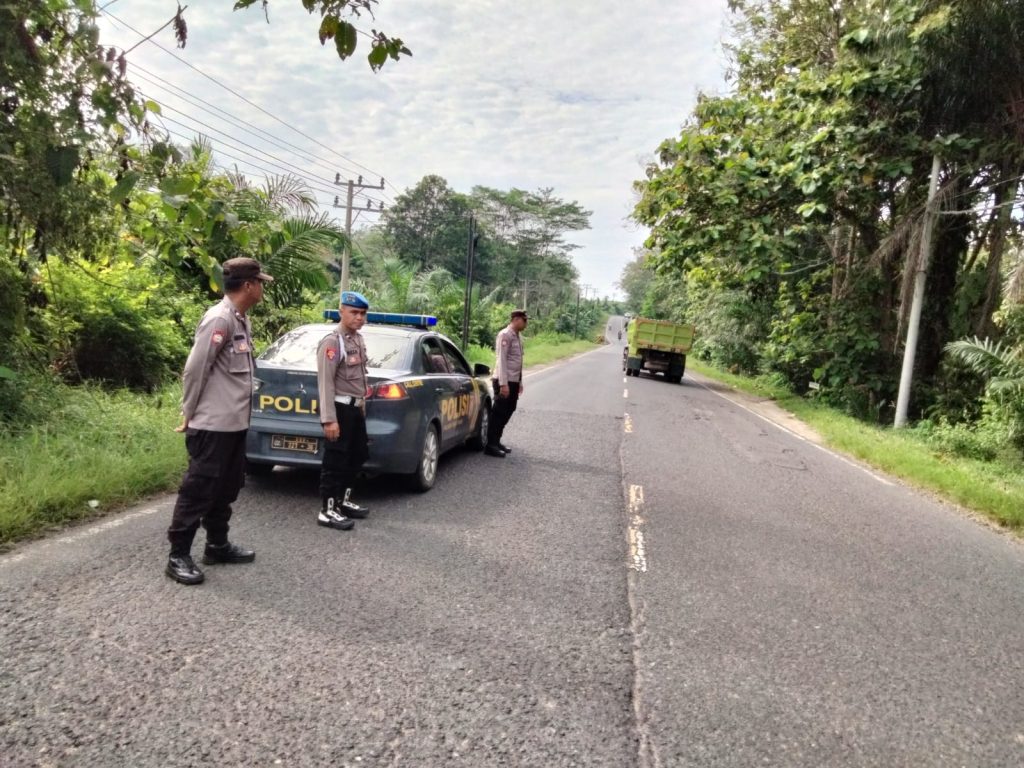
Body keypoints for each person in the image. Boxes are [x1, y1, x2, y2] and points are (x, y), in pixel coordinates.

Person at [165, 257, 273, 585]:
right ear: (249, 285)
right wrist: (189, 411)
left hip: (235, 423)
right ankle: (178, 555)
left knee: (227, 487)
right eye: (261, 283)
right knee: (199, 489)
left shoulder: (241, 320)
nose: (263, 288)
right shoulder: (219, 319)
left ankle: (217, 544)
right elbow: (195, 369)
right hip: (212, 425)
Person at [316, 290, 372, 530]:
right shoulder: (332, 341)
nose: (359, 318)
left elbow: (361, 377)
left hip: (355, 408)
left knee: (356, 457)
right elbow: (325, 382)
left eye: (362, 313)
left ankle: (343, 502)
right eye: (354, 312)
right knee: (335, 461)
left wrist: (362, 406)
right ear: (342, 312)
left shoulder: (357, 339)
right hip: (339, 409)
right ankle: (327, 511)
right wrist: (329, 420)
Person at [486, 309, 528, 458]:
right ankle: (490, 444)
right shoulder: (505, 335)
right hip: (504, 381)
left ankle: (496, 441)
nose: (526, 324)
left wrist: (519, 382)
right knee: (499, 413)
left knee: (509, 409)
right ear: (516, 319)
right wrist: (503, 385)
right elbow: (502, 361)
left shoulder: (518, 336)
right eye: (524, 320)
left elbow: (518, 361)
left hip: (513, 380)